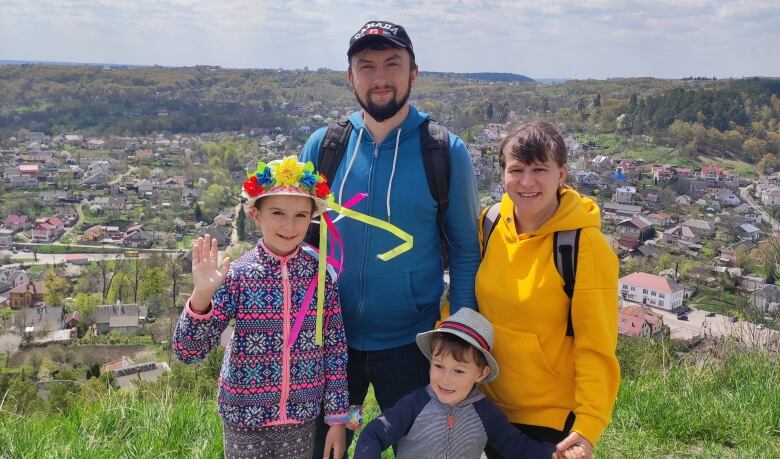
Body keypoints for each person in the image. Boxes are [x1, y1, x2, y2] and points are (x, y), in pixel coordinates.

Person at [299, 20, 481, 456]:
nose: (379, 77)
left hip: (412, 343)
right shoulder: (324, 147)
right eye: (366, 66)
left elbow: (464, 250)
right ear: (350, 76)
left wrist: (459, 338)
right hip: (330, 343)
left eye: (392, 64)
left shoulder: (444, 151)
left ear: (413, 71)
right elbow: (298, 245)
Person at [172, 156, 349, 459]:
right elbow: (188, 352)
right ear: (256, 216)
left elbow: (334, 349)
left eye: (300, 216)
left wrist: (336, 419)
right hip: (243, 417)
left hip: (300, 416)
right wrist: (202, 296)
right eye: (277, 213)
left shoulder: (320, 278)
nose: (289, 225)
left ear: (312, 219)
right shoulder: (237, 275)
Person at [476, 120, 620, 459]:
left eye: (540, 169)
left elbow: (596, 346)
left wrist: (589, 424)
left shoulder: (584, 246)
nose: (527, 181)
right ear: (502, 174)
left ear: (562, 173)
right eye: (517, 170)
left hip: (550, 420)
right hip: (488, 404)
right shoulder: (490, 222)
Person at [353, 308, 557, 459]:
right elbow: (374, 434)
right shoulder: (414, 405)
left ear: (480, 373)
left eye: (459, 371)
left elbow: (516, 446)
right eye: (439, 366)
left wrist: (554, 454)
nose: (445, 379)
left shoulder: (485, 413)